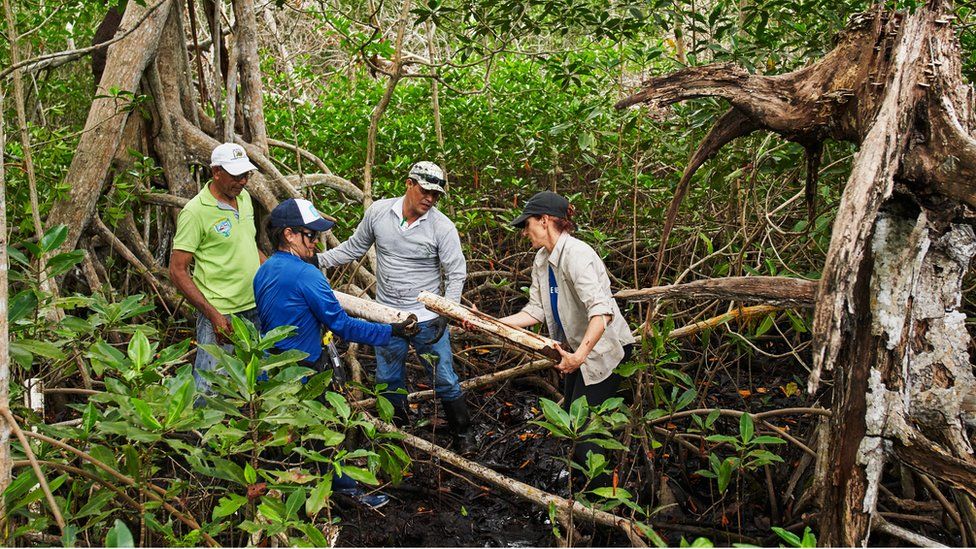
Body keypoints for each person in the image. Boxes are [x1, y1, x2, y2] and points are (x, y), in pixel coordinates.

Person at [253, 198, 420, 509]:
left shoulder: (263, 272)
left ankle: (294, 494)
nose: (317, 243)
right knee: (326, 431)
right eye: (311, 236)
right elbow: (342, 326)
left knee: (288, 437)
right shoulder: (308, 275)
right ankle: (344, 490)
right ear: (289, 234)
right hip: (304, 372)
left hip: (270, 370)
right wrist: (391, 332)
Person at [315, 161, 475, 454]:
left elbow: (456, 272)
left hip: (427, 318)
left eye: (435, 195)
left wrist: (447, 313)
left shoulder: (442, 227)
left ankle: (463, 434)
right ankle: (397, 433)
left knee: (444, 378)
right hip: (387, 315)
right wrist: (319, 260)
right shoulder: (379, 212)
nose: (429, 199)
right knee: (388, 379)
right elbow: (354, 247)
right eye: (425, 191)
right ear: (409, 184)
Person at [496, 191, 635, 491]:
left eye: (527, 224)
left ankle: (601, 507)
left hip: (604, 355)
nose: (524, 231)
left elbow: (601, 311)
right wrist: (491, 323)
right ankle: (582, 492)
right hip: (576, 355)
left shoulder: (577, 255)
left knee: (585, 437)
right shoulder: (542, 260)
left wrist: (579, 356)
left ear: (544, 221)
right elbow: (534, 310)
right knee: (571, 424)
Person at [170, 142, 265, 392]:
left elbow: (248, 245)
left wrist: (277, 274)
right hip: (221, 312)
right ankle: (200, 431)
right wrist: (213, 315)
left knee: (255, 377)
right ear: (216, 172)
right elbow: (178, 271)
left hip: (254, 306)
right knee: (210, 385)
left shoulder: (243, 199)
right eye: (236, 175)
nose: (243, 181)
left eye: (246, 175)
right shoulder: (195, 212)